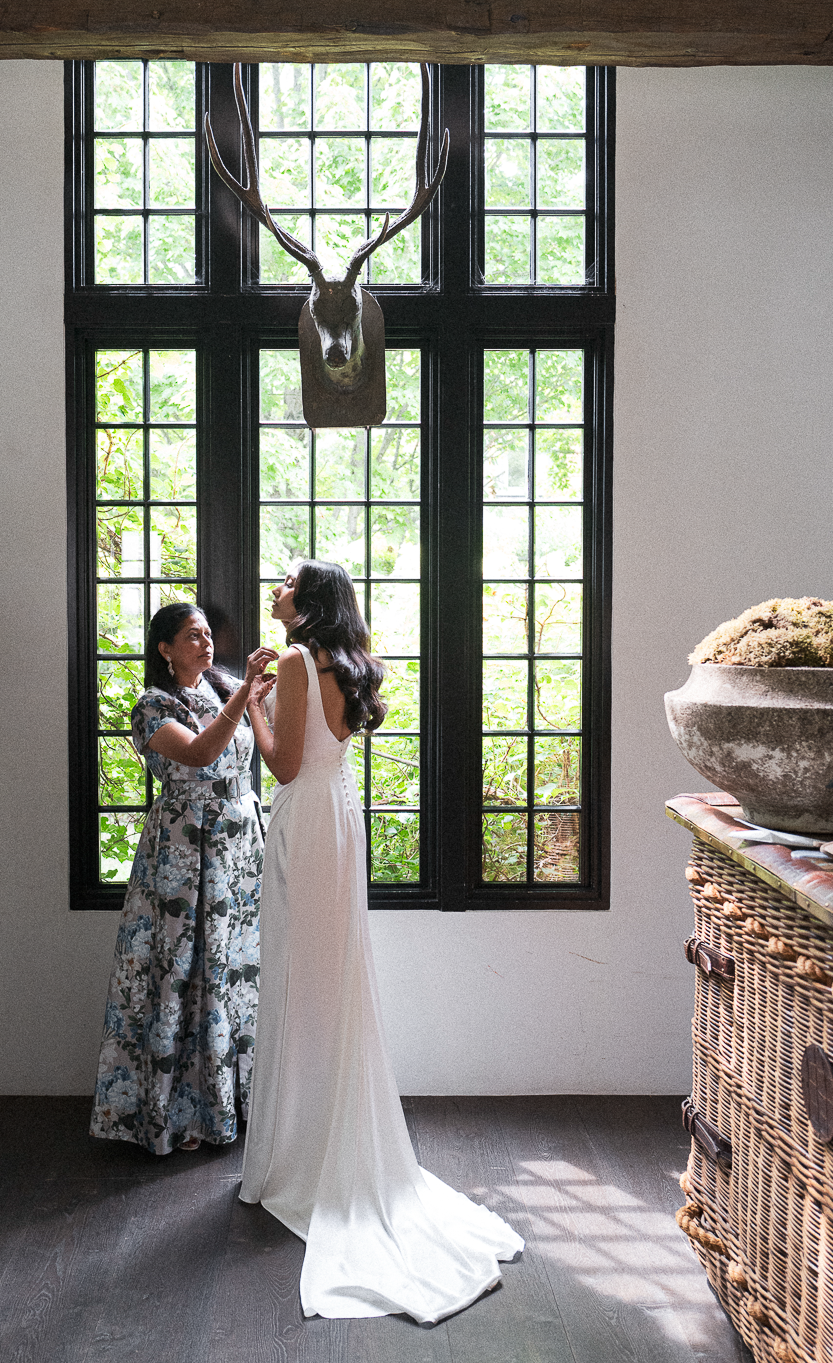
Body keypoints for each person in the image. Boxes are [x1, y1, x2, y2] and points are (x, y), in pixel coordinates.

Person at [242, 560, 523, 1325]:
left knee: (302, 981)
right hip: (339, 815)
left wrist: (252, 709)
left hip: (305, 817)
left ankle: (304, 1151)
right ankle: (321, 1135)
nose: (275, 589)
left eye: (286, 582)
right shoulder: (340, 662)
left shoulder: (300, 660)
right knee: (330, 982)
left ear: (306, 603)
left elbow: (282, 763)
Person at [90, 602, 277, 1156]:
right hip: (183, 850)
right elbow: (198, 754)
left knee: (231, 969)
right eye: (192, 636)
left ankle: (235, 1107)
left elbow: (263, 749)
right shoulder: (153, 704)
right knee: (183, 969)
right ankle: (178, 1113)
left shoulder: (224, 690)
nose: (206, 643)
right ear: (165, 648)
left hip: (238, 847)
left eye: (208, 634)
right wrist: (246, 696)